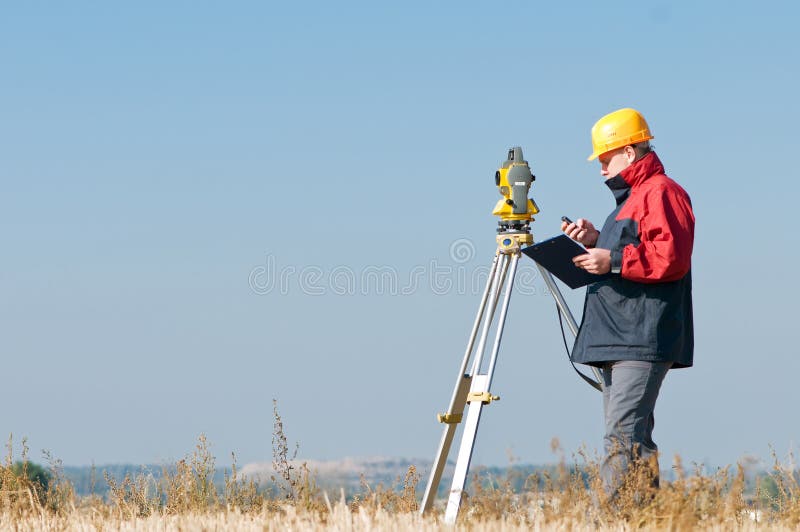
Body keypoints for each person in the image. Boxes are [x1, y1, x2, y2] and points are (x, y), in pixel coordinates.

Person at [561, 108, 695, 499]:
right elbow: (636, 251)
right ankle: (646, 519)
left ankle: (614, 521)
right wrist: (596, 240)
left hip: (641, 336)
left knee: (621, 437)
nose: (600, 168)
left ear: (631, 153)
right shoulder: (632, 199)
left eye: (605, 159)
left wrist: (612, 259)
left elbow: (670, 259)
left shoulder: (662, 192)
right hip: (620, 336)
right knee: (633, 439)